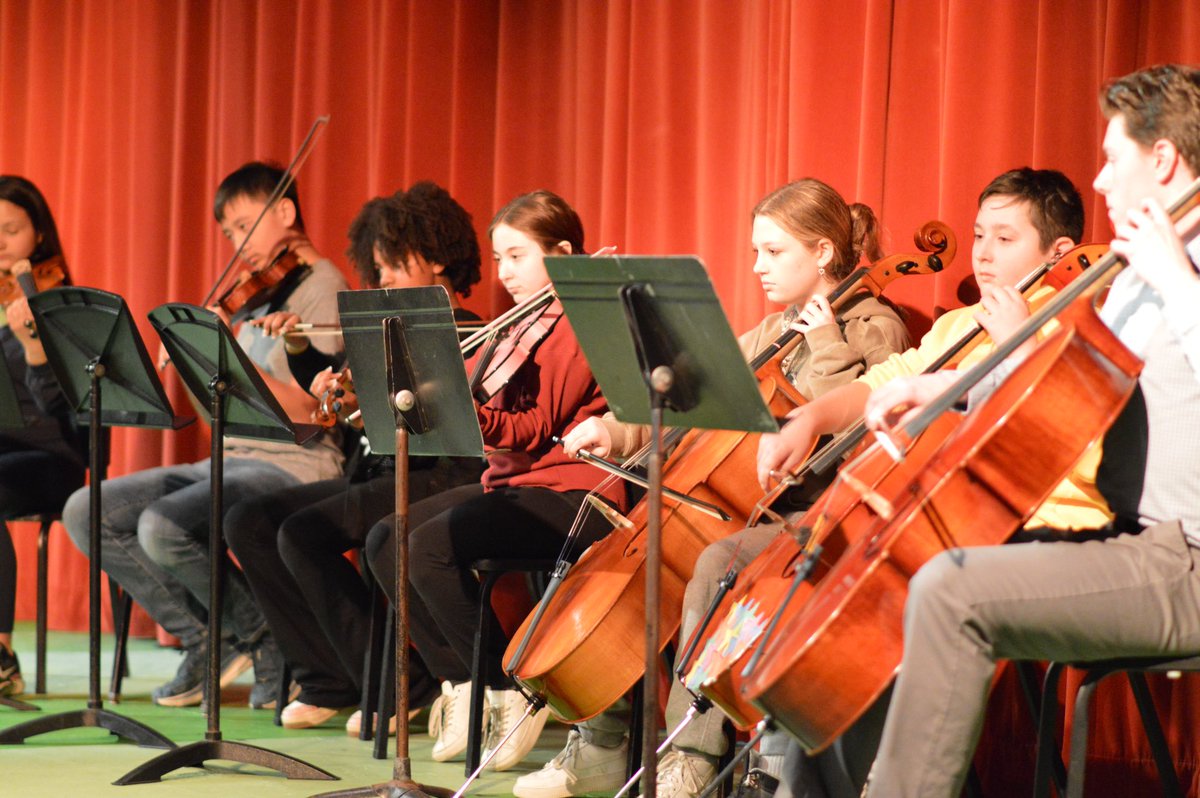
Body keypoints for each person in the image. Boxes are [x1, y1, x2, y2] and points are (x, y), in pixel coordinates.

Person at [823, 64, 1200, 797]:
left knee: (952, 594)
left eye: (1112, 159)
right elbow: (1064, 384)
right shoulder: (1131, 274)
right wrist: (935, 388)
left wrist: (1182, 283)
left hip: (1188, 560)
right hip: (1126, 538)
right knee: (895, 563)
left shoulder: (1173, 271)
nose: (1098, 180)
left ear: (1162, 160)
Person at [517, 178, 913, 798]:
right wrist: (615, 432)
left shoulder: (874, 326)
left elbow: (852, 441)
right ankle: (600, 742)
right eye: (755, 251)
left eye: (773, 252)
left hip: (813, 514)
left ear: (823, 254)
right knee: (643, 566)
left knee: (708, 564)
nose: (757, 267)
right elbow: (690, 394)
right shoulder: (770, 329)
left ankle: (690, 758)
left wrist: (826, 343)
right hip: (742, 502)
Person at [61, 161, 349, 709]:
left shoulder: (324, 288)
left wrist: (230, 352)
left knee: (161, 527)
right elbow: (223, 414)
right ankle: (208, 637)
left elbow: (313, 414)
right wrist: (199, 363)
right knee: (86, 509)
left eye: (245, 226)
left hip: (295, 462)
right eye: (229, 233)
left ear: (285, 212)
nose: (238, 245)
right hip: (233, 456)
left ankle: (262, 636)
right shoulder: (257, 298)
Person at [364, 189, 626, 772]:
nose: (504, 273)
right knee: (386, 541)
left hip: (573, 493)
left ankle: (508, 692)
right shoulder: (522, 322)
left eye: (517, 257)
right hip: (515, 483)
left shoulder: (580, 317)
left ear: (562, 254)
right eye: (500, 258)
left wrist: (458, 405)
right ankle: (462, 681)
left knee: (429, 548)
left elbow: (534, 429)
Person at [225, 182, 485, 732]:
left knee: (308, 533)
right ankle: (330, 676)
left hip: (443, 477)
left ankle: (401, 683)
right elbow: (342, 391)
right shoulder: (388, 327)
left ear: (438, 258)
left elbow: (447, 430)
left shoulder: (471, 332)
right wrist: (306, 360)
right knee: (251, 519)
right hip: (381, 471)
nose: (383, 278)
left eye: (393, 264)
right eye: (378, 267)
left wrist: (371, 407)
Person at [0, 176, 88, 697]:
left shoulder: (64, 304)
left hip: (52, 455)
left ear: (39, 234)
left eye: (10, 229)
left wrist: (33, 344)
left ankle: (2, 656)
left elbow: (65, 407)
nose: (1, 242)